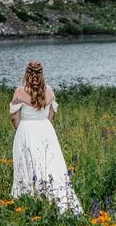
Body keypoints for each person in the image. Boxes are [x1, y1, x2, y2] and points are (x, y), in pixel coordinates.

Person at [10, 61, 82, 215]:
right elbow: (52, 112)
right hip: (46, 131)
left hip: (26, 130)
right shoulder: (49, 90)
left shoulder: (19, 92)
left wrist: (22, 130)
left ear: (26, 74)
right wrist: (45, 124)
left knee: (28, 165)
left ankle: (28, 200)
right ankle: (57, 198)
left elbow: (14, 118)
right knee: (51, 164)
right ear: (41, 74)